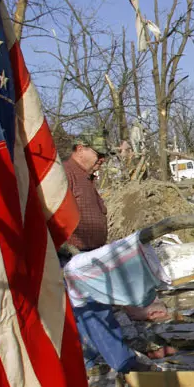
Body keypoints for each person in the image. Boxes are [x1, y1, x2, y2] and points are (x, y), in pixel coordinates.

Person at [62, 143, 146, 373]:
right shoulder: (65, 175)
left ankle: (88, 362)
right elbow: (51, 213)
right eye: (98, 155)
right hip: (74, 256)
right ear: (80, 149)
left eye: (104, 156)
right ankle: (125, 364)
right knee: (95, 307)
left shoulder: (86, 178)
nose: (102, 160)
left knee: (82, 311)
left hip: (89, 253)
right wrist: (68, 249)